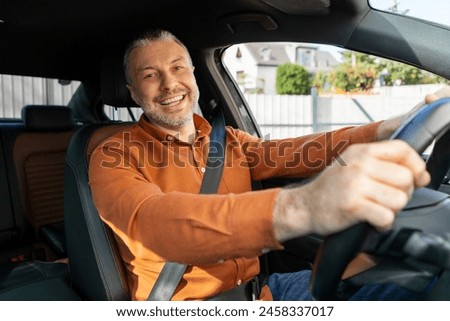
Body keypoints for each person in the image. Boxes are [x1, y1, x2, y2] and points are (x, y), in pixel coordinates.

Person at [89, 29, 449, 301]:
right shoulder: (112, 155)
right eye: (150, 75)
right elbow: (154, 226)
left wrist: (389, 127)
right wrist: (304, 206)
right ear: (133, 91)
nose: (169, 84)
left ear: (193, 74)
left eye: (178, 67)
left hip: (263, 294)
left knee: (416, 279)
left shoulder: (227, 141)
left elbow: (299, 150)